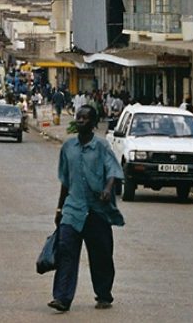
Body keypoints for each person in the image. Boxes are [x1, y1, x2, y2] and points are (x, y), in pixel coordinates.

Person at [49, 105, 124, 313]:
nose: (80, 120)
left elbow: (112, 171)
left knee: (101, 254)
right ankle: (62, 297)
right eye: (78, 117)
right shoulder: (68, 148)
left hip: (96, 210)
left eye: (84, 118)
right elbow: (65, 181)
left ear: (93, 123)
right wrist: (59, 209)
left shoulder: (101, 147)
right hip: (73, 209)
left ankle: (103, 294)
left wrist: (108, 189)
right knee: (65, 251)